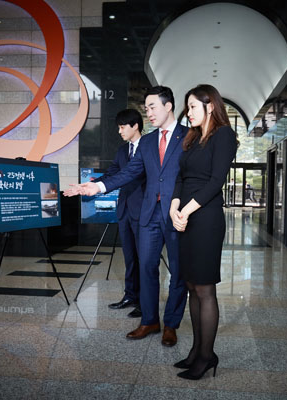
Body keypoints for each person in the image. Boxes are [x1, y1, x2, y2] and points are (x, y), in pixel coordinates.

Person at [70, 86, 187, 346]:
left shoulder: (189, 137)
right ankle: (149, 320)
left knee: (178, 271)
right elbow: (128, 172)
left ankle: (171, 324)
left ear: (168, 106)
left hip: (176, 214)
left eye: (152, 106)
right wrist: (97, 186)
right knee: (146, 268)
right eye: (146, 108)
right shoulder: (146, 142)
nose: (149, 112)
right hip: (148, 215)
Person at [170, 84, 238, 380]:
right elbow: (180, 178)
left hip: (206, 218)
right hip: (185, 218)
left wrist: (186, 210)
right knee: (191, 286)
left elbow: (215, 182)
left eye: (193, 107)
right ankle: (197, 350)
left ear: (210, 106)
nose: (189, 112)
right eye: (187, 108)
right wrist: (174, 207)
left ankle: (207, 356)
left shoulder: (224, 135)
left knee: (205, 288)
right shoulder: (192, 137)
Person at [87, 109, 145, 318]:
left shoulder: (148, 147)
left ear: (135, 125)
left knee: (144, 260)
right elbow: (112, 173)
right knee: (130, 257)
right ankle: (131, 295)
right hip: (125, 211)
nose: (119, 131)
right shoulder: (122, 151)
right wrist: (92, 184)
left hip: (144, 212)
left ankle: (144, 303)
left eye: (122, 127)